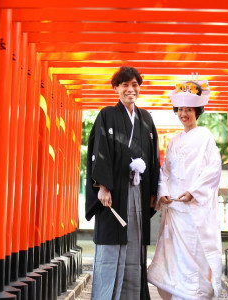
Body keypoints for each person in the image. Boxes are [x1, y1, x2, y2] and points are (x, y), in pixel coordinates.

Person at [85, 66, 159, 300]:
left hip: (138, 189)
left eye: (135, 84)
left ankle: (132, 295)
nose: (130, 89)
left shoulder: (146, 118)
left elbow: (154, 156)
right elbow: (100, 151)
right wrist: (103, 187)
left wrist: (153, 191)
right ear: (116, 88)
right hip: (115, 193)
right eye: (125, 85)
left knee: (134, 242)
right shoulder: (107, 114)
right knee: (111, 244)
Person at [147, 80, 222, 300]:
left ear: (197, 112)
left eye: (188, 109)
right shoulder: (174, 141)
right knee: (173, 258)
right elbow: (166, 172)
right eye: (180, 109)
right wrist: (163, 192)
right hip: (175, 212)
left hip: (194, 213)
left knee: (194, 258)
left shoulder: (205, 137)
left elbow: (214, 169)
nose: (184, 114)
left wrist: (195, 191)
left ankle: (193, 295)